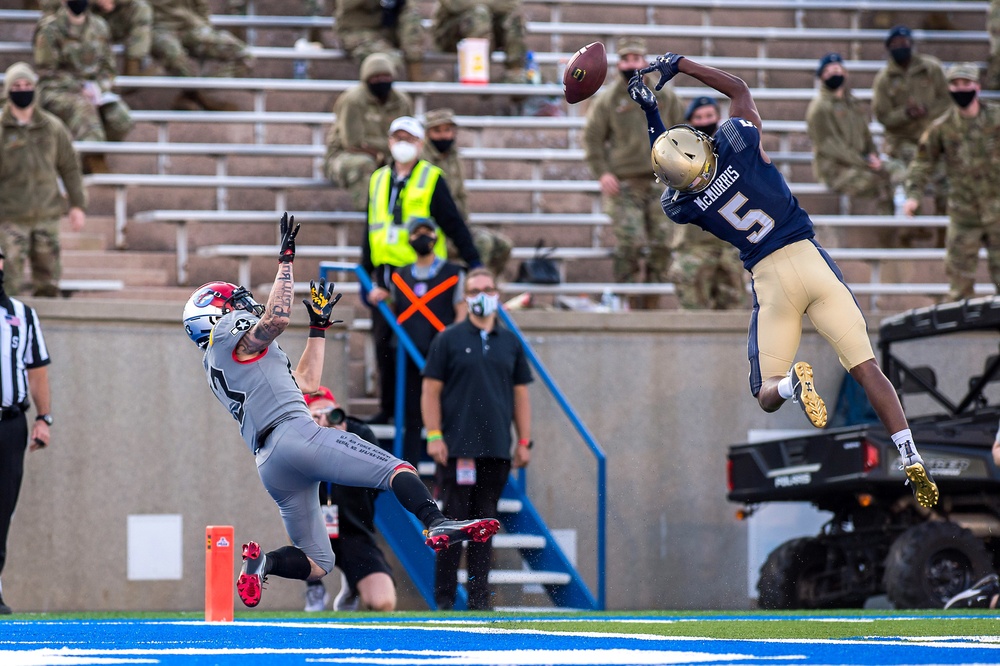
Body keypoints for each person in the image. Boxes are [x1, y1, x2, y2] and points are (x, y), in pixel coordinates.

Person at [626, 52, 939, 509]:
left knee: (766, 392)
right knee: (866, 367)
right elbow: (738, 89)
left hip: (771, 282)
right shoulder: (737, 144)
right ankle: (909, 453)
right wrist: (682, 64)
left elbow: (667, 167)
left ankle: (793, 384)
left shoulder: (683, 206)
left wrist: (651, 112)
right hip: (811, 261)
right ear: (703, 141)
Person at [181, 213, 499, 608]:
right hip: (295, 436)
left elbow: (308, 383)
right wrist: (285, 261)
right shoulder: (227, 341)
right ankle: (437, 522)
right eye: (233, 303)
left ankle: (263, 564)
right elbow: (277, 318)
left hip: (272, 463)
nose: (242, 305)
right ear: (215, 317)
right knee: (397, 469)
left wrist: (318, 328)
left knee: (319, 561)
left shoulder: (230, 360)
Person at [422, 267, 532, 610]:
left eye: (488, 287)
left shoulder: (510, 342)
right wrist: (435, 434)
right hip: (457, 449)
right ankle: (444, 600)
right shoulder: (448, 338)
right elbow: (430, 390)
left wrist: (524, 440)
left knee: (485, 527)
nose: (482, 294)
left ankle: (480, 599)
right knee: (453, 524)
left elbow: (520, 395)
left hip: (496, 450)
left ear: (497, 293)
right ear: (465, 297)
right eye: (475, 289)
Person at [362, 115, 480, 425]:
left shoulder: (431, 177)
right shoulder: (378, 178)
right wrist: (365, 273)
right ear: (389, 142)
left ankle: (429, 413)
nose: (403, 144)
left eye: (409, 138)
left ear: (419, 143)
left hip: (419, 275)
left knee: (422, 342)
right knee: (383, 342)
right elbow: (370, 228)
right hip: (385, 274)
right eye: (397, 137)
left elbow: (453, 223)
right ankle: (389, 408)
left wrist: (476, 263)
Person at [582, 36, 685, 309]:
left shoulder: (665, 95)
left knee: (663, 243)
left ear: (644, 61)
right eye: (626, 59)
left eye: (636, 59)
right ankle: (625, 301)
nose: (631, 64)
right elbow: (592, 137)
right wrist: (602, 172)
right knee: (631, 242)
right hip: (625, 184)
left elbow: (684, 133)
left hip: (661, 182)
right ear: (618, 63)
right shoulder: (607, 100)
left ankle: (650, 304)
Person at [902, 63, 1000, 302]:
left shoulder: (996, 119)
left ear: (977, 86)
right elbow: (923, 162)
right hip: (964, 214)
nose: (961, 89)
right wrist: (913, 195)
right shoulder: (943, 127)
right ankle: (962, 335)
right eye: (956, 85)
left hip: (998, 210)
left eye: (966, 84)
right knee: (959, 284)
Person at [302, 386, 396, 612]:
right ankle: (313, 585)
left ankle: (352, 582)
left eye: (329, 412)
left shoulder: (358, 434)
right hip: (312, 530)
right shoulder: (297, 439)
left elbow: (379, 480)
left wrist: (344, 445)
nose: (325, 419)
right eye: (316, 415)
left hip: (353, 528)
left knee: (383, 603)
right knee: (290, 513)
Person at [0, 62, 87, 298]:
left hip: (46, 216)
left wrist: (77, 205)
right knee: (8, 283)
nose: (22, 89)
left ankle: (44, 331)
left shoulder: (52, 127)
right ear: (7, 90)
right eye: (16, 85)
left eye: (27, 84)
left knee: (48, 282)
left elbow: (69, 167)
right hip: (9, 217)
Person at [0, 247, 53, 615]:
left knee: (2, 509)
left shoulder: (21, 315)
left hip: (9, 423)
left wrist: (43, 419)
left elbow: (37, 372)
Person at [390, 217, 467, 465]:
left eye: (427, 232)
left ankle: (448, 470)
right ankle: (410, 470)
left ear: (436, 237)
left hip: (442, 354)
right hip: (409, 354)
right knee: (411, 416)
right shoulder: (399, 276)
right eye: (417, 233)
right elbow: (393, 309)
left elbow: (461, 311)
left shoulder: (454, 273)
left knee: (449, 411)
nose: (422, 237)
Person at [33, 0, 135, 174]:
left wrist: (98, 87)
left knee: (121, 118)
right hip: (58, 90)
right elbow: (47, 72)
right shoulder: (51, 28)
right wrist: (80, 87)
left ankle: (89, 157)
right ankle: (94, 163)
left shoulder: (99, 26)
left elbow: (108, 69)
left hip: (93, 90)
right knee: (84, 109)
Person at [668, 95, 746, 310]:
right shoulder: (679, 153)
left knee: (733, 317)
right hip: (694, 246)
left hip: (728, 246)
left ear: (717, 117)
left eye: (709, 116)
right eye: (699, 117)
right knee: (693, 316)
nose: (704, 121)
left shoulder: (731, 150)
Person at [872, 24, 951, 229]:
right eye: (895, 44)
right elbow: (882, 115)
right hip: (902, 141)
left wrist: (928, 114)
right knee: (909, 179)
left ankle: (943, 229)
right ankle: (914, 228)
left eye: (904, 43)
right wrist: (906, 114)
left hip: (933, 138)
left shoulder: (931, 68)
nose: (901, 47)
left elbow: (947, 101)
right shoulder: (884, 79)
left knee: (945, 181)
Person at [421, 107, 513, 277]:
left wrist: (464, 226)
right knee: (482, 243)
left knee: (503, 246)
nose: (443, 136)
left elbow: (461, 195)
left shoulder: (454, 157)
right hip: (433, 228)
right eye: (437, 131)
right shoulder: (421, 160)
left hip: (457, 224)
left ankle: (487, 289)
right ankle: (471, 291)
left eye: (448, 130)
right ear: (427, 134)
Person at [806, 53, 900, 218]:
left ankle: (904, 225)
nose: (833, 74)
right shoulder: (819, 108)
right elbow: (831, 147)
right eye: (827, 72)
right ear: (821, 77)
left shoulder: (854, 103)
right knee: (877, 183)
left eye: (836, 69)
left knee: (900, 172)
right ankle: (888, 231)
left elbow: (866, 135)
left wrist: (873, 155)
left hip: (861, 162)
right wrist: (863, 162)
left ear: (845, 72)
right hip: (835, 169)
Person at [323, 53, 414, 212]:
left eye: (385, 76)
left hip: (391, 154)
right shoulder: (353, 100)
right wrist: (387, 148)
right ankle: (372, 214)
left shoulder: (401, 101)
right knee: (364, 164)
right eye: (376, 77)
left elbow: (409, 134)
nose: (381, 81)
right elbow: (353, 142)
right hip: (345, 155)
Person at [147, 0, 251, 111]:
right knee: (173, 53)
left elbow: (201, 6)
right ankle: (202, 98)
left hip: (191, 27)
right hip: (158, 29)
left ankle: (196, 93)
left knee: (245, 56)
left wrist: (205, 29)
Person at [40, 0, 153, 77]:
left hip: (114, 19)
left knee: (142, 8)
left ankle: (132, 69)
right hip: (79, 21)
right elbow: (48, 3)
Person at [431, 0, 528, 83]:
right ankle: (478, 74)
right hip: (451, 35)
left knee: (516, 17)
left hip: (492, 30)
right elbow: (456, 4)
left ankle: (515, 75)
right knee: (479, 13)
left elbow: (511, 4)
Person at [335, 0, 426, 81]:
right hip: (358, 31)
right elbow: (345, 4)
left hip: (390, 30)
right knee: (386, 61)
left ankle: (416, 84)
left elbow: (409, 9)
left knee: (412, 20)